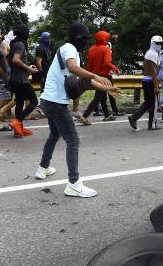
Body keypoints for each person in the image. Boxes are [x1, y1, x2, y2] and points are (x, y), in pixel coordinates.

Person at [35, 21, 121, 197]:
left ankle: (42, 168)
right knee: (73, 141)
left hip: (47, 100)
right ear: (78, 38)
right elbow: (74, 67)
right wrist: (96, 74)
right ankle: (74, 183)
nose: (86, 42)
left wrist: (107, 88)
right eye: (85, 39)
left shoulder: (66, 49)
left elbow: (83, 81)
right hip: (55, 103)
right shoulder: (70, 49)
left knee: (54, 134)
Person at [80, 31, 120, 125]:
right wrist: (115, 69)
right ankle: (84, 116)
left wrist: (91, 74)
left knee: (102, 96)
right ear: (104, 38)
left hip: (95, 75)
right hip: (104, 76)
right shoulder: (105, 49)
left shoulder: (91, 49)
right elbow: (107, 63)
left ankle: (106, 116)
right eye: (107, 38)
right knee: (98, 97)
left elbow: (89, 65)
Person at [7, 23, 38, 137]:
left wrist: (27, 66)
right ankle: (17, 122)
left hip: (14, 78)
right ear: (24, 33)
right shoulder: (21, 44)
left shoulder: (14, 42)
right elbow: (16, 60)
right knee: (34, 101)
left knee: (20, 102)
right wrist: (28, 68)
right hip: (21, 80)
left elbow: (11, 58)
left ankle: (18, 131)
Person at [128, 35, 162, 131]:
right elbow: (153, 71)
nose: (159, 45)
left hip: (146, 80)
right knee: (154, 104)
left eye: (160, 43)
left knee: (148, 103)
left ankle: (134, 117)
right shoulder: (153, 54)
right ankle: (152, 124)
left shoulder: (150, 52)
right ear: (152, 43)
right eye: (157, 43)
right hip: (151, 81)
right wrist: (156, 86)